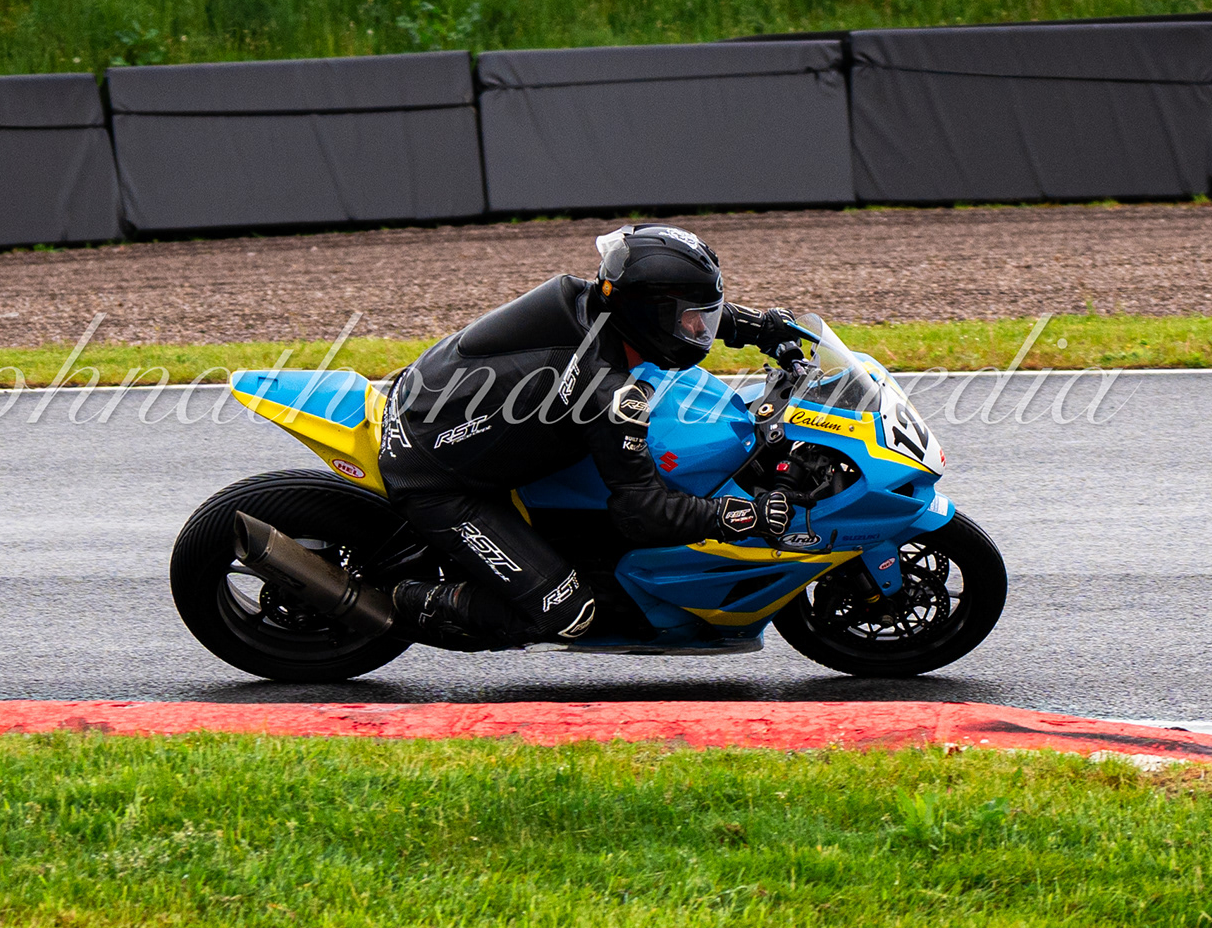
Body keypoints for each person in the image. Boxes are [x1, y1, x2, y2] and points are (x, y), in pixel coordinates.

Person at [239, 223, 819, 650]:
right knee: (568, 611)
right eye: (694, 318)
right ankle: (387, 601)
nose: (701, 328)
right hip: (438, 479)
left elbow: (663, 313)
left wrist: (757, 327)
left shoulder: (592, 299)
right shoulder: (605, 391)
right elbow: (643, 513)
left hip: (436, 404)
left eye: (705, 315)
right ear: (651, 316)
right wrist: (740, 516)